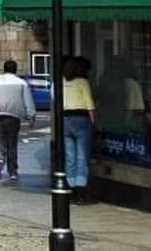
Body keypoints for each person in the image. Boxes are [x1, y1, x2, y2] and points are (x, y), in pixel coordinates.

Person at [0, 59, 36, 181]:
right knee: (12, 144)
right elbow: (28, 100)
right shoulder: (21, 83)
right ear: (15, 70)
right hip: (13, 117)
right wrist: (31, 116)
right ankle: (13, 172)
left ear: (4, 69)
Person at [62, 56, 97, 204]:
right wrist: (94, 122)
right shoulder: (83, 82)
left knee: (70, 157)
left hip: (65, 119)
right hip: (81, 119)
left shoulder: (60, 82)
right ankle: (81, 192)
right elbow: (89, 104)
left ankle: (71, 190)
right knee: (82, 157)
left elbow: (54, 99)